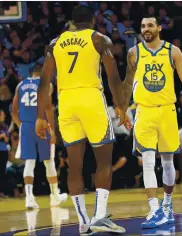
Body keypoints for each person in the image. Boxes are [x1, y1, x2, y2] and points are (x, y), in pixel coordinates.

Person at [35, 6, 127, 234]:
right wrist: (121, 106)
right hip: (91, 99)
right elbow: (113, 77)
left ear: (72, 22)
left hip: (66, 102)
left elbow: (44, 82)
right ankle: (100, 216)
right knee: (103, 160)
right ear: (93, 20)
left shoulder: (55, 43)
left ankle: (83, 221)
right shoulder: (99, 39)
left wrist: (40, 117)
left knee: (74, 165)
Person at [123, 15, 182, 229]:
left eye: (149, 25)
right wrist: (122, 109)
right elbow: (128, 83)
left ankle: (167, 204)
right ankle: (154, 209)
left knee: (167, 161)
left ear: (158, 28)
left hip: (167, 110)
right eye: (143, 26)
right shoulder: (134, 53)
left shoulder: (173, 51)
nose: (146, 29)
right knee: (147, 161)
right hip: (144, 111)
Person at [11, 67, 68, 209]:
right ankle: (55, 196)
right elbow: (48, 107)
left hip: (26, 126)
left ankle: (29, 198)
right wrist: (53, 131)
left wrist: (21, 126)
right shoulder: (46, 84)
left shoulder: (20, 85)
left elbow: (13, 111)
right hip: (42, 125)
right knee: (49, 162)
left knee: (29, 162)